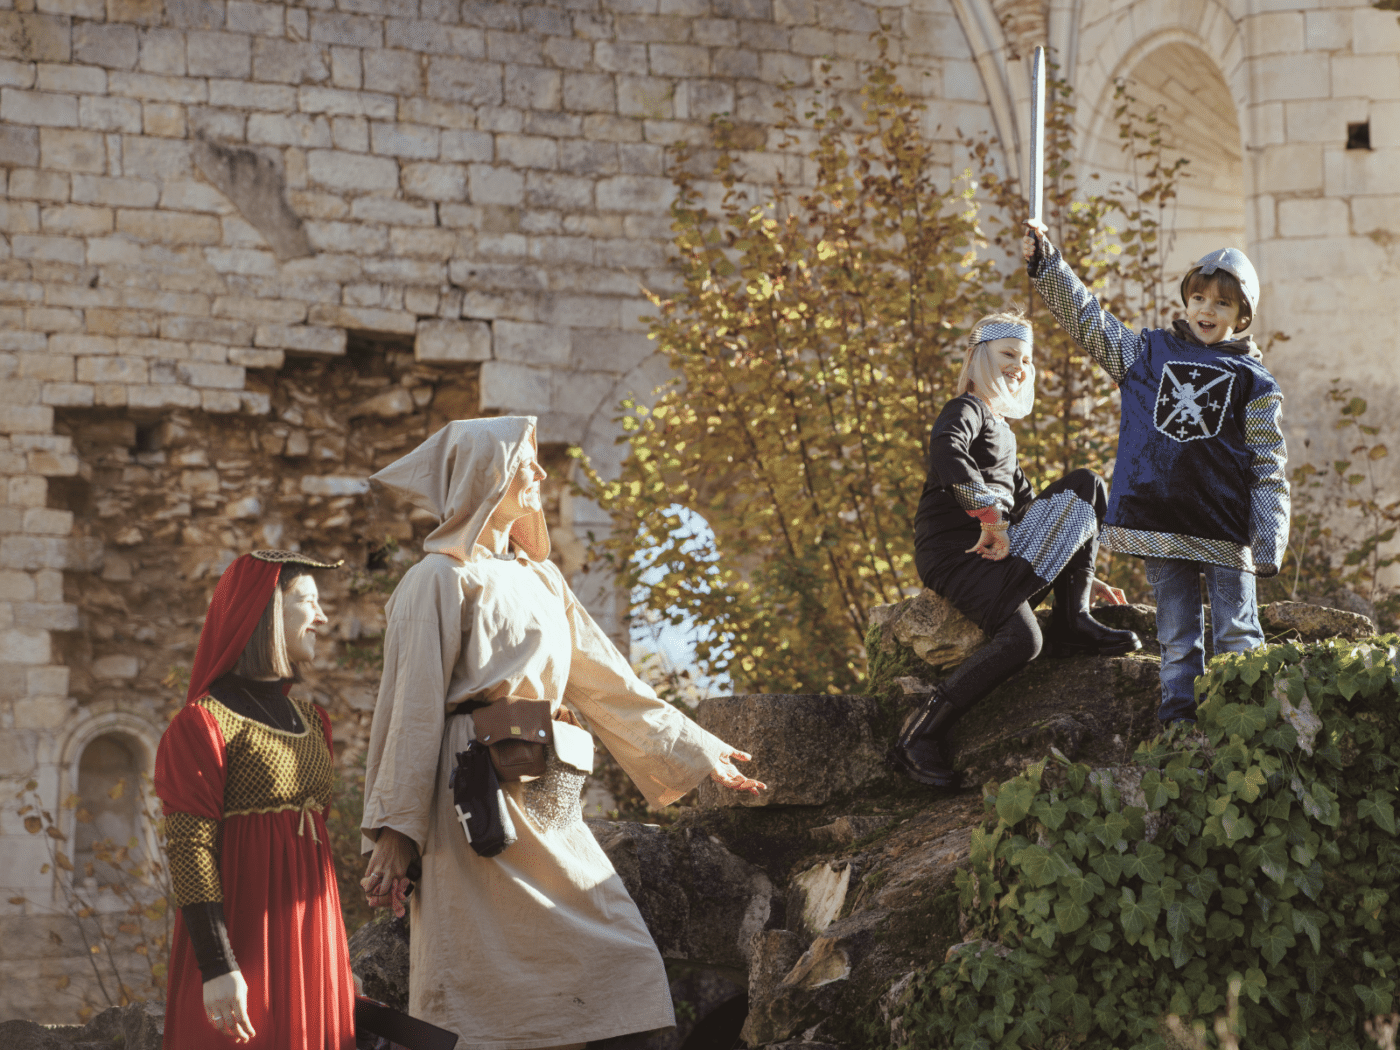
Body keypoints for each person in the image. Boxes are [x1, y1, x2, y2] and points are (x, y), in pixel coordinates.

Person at [358, 416, 767, 1050]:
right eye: (528, 461)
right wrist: (394, 831)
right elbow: (408, 710)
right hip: (472, 811)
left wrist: (699, 749)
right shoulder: (436, 580)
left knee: (625, 965)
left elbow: (609, 683)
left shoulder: (541, 578)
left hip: (545, 799)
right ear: (489, 476)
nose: (542, 475)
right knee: (483, 998)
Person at [1023, 223, 1290, 726]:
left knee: (1236, 630)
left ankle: (1249, 726)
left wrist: (1269, 538)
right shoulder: (1147, 355)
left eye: (1223, 304)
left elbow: (1267, 464)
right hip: (1161, 522)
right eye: (1199, 297)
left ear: (1243, 315)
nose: (1207, 310)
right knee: (1176, 634)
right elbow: (1089, 321)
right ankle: (1179, 728)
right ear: (1186, 301)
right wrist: (1046, 264)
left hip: (1224, 528)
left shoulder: (1255, 381)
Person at [895, 311, 1142, 789]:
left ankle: (1074, 620)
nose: (1019, 365)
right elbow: (948, 452)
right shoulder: (964, 409)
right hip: (956, 550)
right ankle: (918, 735)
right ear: (979, 356)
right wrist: (987, 515)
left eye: (1026, 358)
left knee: (1085, 485)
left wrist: (1082, 572)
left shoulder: (1004, 433)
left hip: (999, 550)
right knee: (1024, 642)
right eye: (1008, 353)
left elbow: (1034, 508)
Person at [154, 549, 355, 1049]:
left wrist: (337, 961)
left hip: (312, 935)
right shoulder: (203, 723)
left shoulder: (313, 722)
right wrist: (219, 965)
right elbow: (189, 849)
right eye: (307, 601)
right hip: (243, 937)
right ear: (266, 611)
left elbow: (312, 845)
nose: (322, 616)